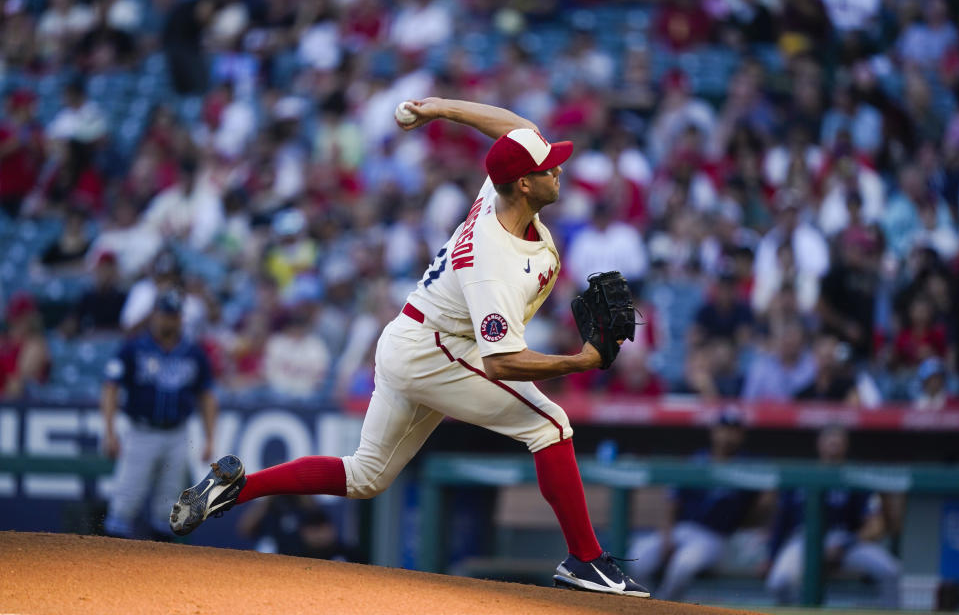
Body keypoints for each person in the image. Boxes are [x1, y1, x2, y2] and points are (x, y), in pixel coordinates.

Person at [168, 98, 649, 597]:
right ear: (525, 184)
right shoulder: (493, 261)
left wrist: (440, 107)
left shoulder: (498, 191)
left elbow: (518, 129)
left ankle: (238, 488)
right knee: (549, 426)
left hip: (413, 338)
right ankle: (586, 561)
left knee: (366, 476)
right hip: (436, 350)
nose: (561, 168)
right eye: (550, 167)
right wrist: (581, 361)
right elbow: (502, 361)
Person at [101, 290, 217, 541]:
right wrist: (109, 432)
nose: (169, 320)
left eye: (173, 315)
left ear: (180, 318)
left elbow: (206, 396)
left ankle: (159, 576)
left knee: (167, 509)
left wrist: (209, 438)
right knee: (125, 502)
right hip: (141, 432)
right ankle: (107, 570)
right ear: (154, 315)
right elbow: (111, 387)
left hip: (177, 434)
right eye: (164, 314)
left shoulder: (193, 353)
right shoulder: (134, 348)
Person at [626, 407, 763, 601]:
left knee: (683, 565)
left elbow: (765, 503)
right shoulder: (697, 460)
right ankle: (642, 604)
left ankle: (664, 608)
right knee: (637, 557)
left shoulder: (749, 465)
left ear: (742, 435)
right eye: (723, 428)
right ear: (714, 431)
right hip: (683, 528)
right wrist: (667, 535)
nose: (727, 435)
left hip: (715, 536)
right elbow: (673, 500)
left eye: (733, 430)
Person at [765, 426, 901, 607]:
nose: (833, 445)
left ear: (846, 446)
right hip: (804, 540)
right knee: (779, 582)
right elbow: (780, 521)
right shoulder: (801, 476)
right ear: (819, 444)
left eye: (838, 441)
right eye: (829, 440)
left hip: (845, 541)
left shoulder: (857, 479)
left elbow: (875, 525)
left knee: (892, 571)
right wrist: (771, 556)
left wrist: (845, 545)